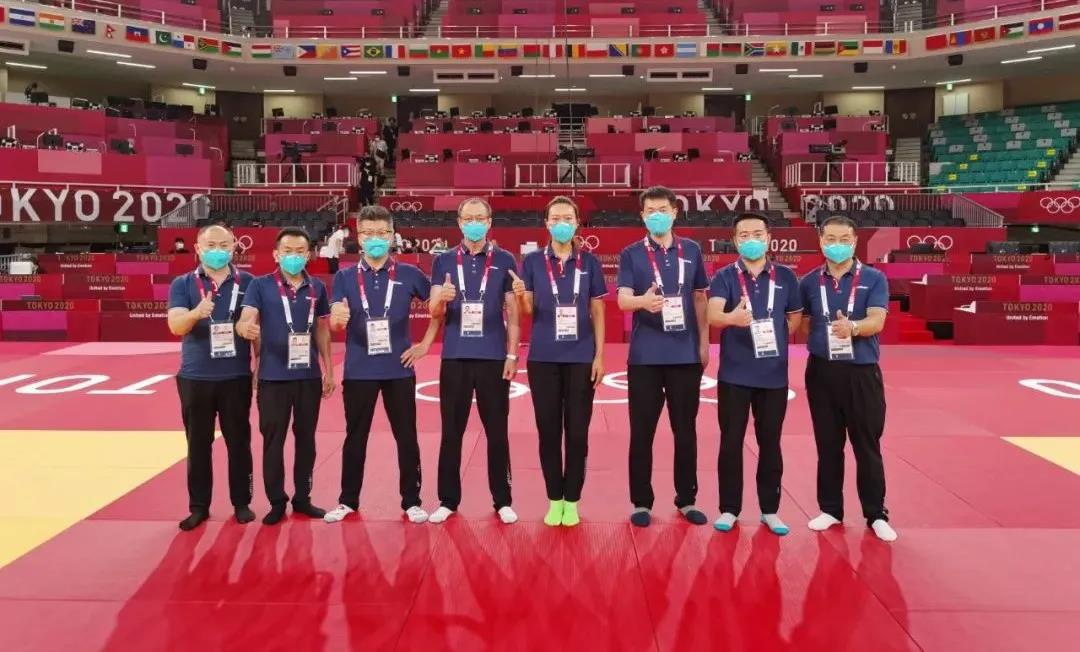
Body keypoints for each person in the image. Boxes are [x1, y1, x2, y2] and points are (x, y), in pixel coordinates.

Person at [323, 206, 441, 525]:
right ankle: (347, 500)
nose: (375, 238)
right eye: (368, 233)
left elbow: (438, 308)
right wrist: (337, 319)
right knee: (355, 437)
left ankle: (412, 501)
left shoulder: (409, 274)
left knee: (406, 436)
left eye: (381, 233)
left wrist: (425, 344)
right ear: (359, 238)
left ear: (391, 236)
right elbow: (335, 320)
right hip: (359, 370)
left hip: (399, 369)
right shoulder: (345, 277)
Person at [798, 215, 896, 542]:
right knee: (828, 445)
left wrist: (852, 328)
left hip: (861, 372)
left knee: (867, 445)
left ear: (854, 242)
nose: (837, 245)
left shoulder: (874, 278)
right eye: (830, 239)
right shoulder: (809, 282)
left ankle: (876, 513)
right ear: (820, 241)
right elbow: (803, 324)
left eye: (844, 239)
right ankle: (830, 509)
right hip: (822, 372)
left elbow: (877, 321)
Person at [616, 186, 710, 528]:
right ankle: (641, 501)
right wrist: (643, 301)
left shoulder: (692, 250)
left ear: (674, 212)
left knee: (685, 430)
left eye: (662, 210)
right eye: (650, 211)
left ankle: (687, 499)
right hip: (645, 357)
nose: (657, 215)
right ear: (642, 215)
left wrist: (703, 344)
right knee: (642, 431)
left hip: (685, 354)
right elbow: (623, 300)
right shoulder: (630, 253)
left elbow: (699, 298)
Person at [707, 213, 803, 536]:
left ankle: (770, 510)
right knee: (730, 443)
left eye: (757, 234)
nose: (751, 239)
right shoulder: (724, 276)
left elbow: (795, 317)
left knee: (770, 443)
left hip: (773, 376)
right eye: (744, 235)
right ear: (735, 240)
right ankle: (729, 508)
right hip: (734, 375)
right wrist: (731, 319)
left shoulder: (786, 277)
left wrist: (777, 335)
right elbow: (713, 315)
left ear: (768, 237)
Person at [513, 196, 607, 527]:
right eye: (555, 218)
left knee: (577, 433)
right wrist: (521, 295)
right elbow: (527, 311)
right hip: (543, 359)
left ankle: (572, 499)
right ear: (547, 223)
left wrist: (599, 355)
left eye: (568, 217)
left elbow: (598, 310)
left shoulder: (590, 262)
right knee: (549, 432)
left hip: (581, 358)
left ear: (577, 222)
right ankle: (555, 499)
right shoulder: (532, 262)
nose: (562, 223)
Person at [427, 197, 520, 525]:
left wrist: (512, 354)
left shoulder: (505, 259)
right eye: (469, 218)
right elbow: (433, 311)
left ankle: (503, 499)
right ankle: (447, 500)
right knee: (451, 431)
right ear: (459, 222)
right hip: (455, 357)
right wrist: (442, 299)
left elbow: (513, 312)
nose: (474, 223)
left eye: (480, 218)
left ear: (490, 222)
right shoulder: (443, 260)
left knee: (497, 431)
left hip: (493, 357)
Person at [237, 227, 334, 525]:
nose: (294, 256)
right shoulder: (260, 285)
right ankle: (277, 501)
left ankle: (303, 498)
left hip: (308, 376)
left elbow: (321, 330)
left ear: (309, 255)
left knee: (306, 440)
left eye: (300, 252)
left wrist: (329, 370)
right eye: (287, 251)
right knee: (273, 441)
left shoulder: (317, 287)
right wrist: (244, 327)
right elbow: (247, 318)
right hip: (272, 378)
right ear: (277, 255)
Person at [166, 224, 255, 531]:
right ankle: (199, 507)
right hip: (195, 377)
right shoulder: (183, 283)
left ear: (234, 247)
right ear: (198, 249)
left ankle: (241, 502)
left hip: (236, 375)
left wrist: (258, 368)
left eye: (224, 245)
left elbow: (254, 328)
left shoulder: (248, 282)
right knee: (198, 445)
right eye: (211, 245)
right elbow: (176, 326)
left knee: (239, 442)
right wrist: (195, 313)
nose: (218, 250)